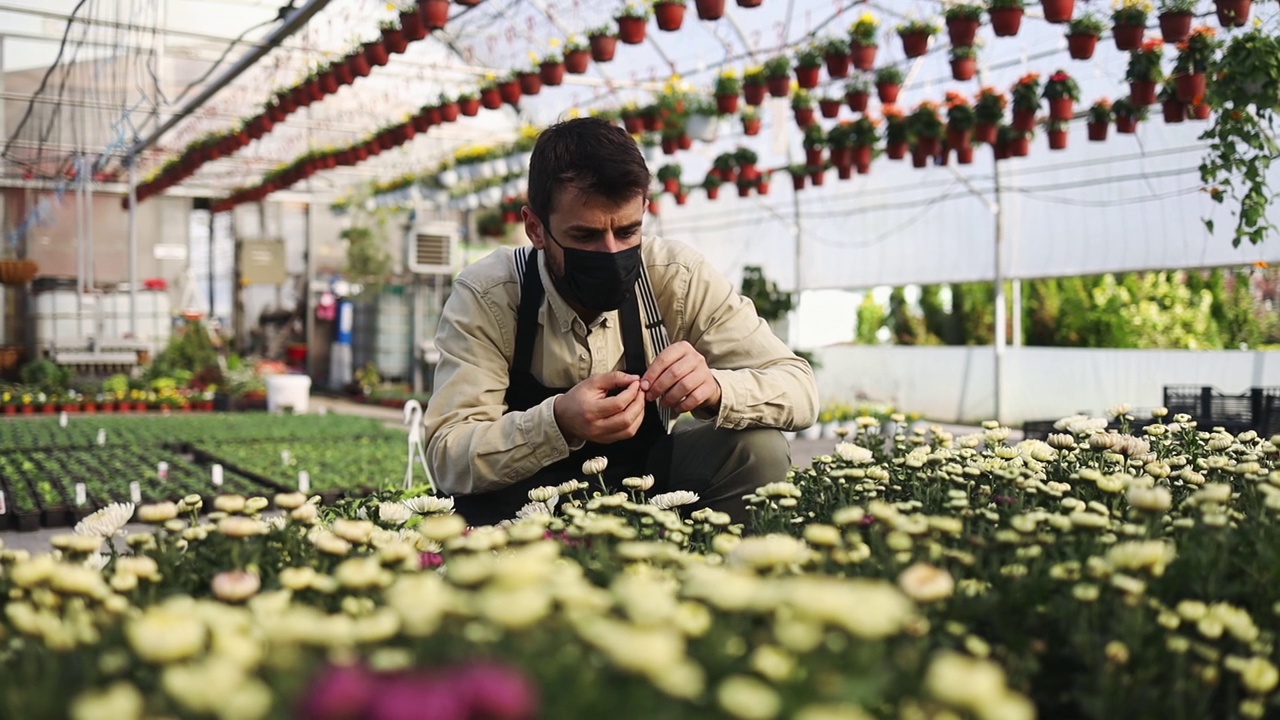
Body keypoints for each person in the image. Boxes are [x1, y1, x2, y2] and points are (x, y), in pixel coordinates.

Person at [422, 117, 818, 526]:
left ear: (645, 211)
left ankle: (713, 573)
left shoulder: (675, 276)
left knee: (758, 448)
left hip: (647, 486)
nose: (611, 253)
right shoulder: (493, 292)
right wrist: (557, 421)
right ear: (536, 228)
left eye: (628, 231)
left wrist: (716, 388)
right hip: (521, 510)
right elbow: (448, 456)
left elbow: (799, 388)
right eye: (585, 237)